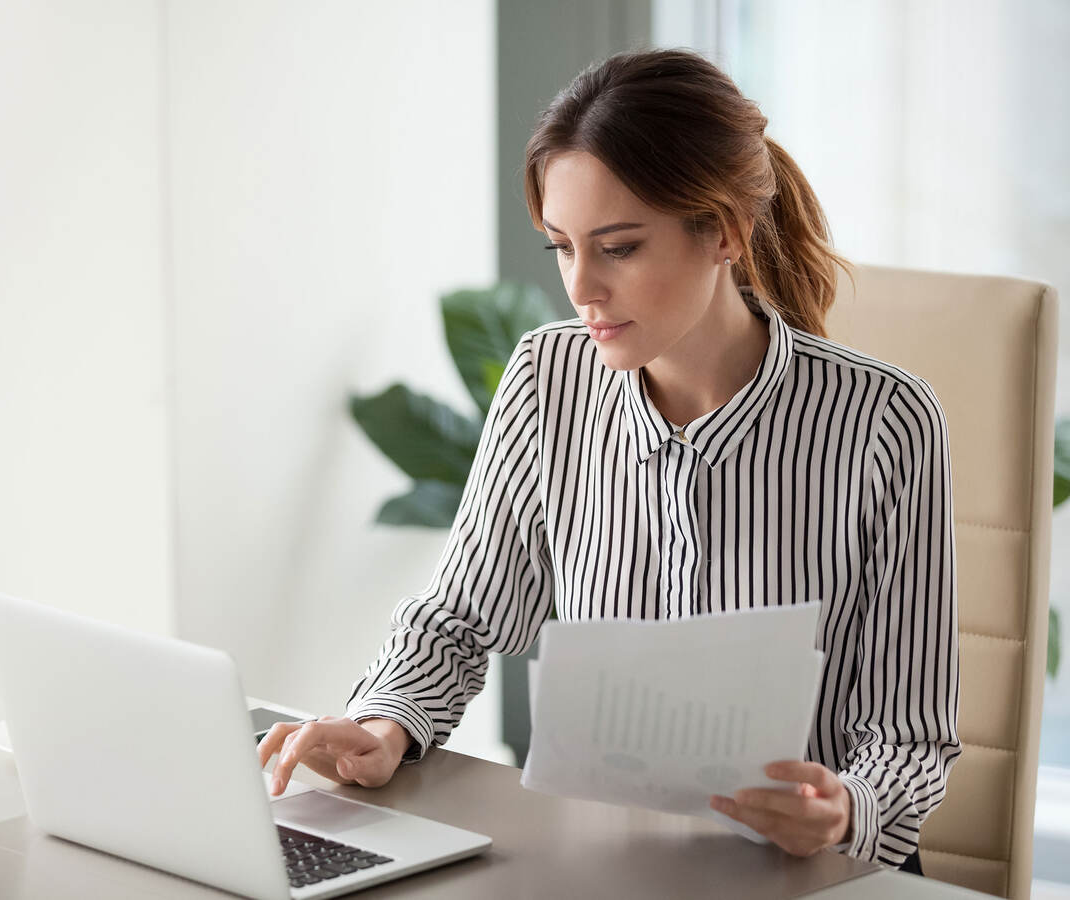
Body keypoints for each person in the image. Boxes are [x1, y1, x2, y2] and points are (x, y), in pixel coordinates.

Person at [257, 47, 960, 876]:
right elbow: (459, 619)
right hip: (598, 867)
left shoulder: (886, 421)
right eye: (561, 246)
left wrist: (844, 811)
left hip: (809, 876)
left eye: (619, 248)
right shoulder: (546, 379)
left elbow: (909, 736)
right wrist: (385, 722)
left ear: (725, 231)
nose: (581, 287)